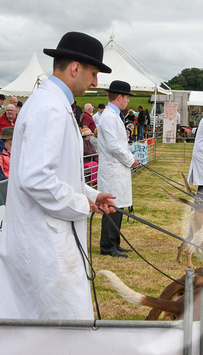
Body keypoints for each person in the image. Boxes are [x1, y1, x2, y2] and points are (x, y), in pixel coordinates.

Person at [0, 31, 116, 320]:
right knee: (62, 328)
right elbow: (36, 179)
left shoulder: (54, 104)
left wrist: (91, 194)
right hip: (43, 242)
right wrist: (81, 203)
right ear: (75, 68)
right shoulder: (49, 107)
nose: (95, 82)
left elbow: (56, 173)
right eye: (93, 73)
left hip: (49, 235)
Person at [97, 80, 140, 258]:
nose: (128, 101)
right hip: (112, 169)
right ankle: (107, 246)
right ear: (120, 97)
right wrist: (131, 160)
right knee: (112, 207)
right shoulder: (108, 116)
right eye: (127, 98)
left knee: (119, 206)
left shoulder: (114, 115)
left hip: (119, 168)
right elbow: (114, 146)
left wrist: (130, 159)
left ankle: (115, 242)